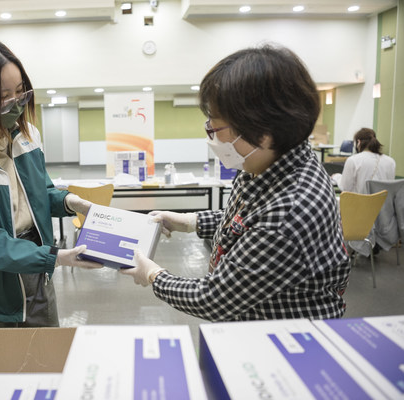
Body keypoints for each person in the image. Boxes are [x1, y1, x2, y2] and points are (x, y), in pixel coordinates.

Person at [121, 45, 350, 321]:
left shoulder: (290, 212)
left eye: (215, 129)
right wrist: (190, 221)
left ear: (262, 132)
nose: (212, 139)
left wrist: (153, 274)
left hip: (280, 338)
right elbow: (247, 221)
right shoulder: (269, 159)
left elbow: (214, 300)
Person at [0, 39, 102, 329]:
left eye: (19, 93)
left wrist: (70, 202)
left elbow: (41, 192)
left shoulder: (27, 135)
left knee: (46, 365)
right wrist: (58, 257)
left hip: (36, 274)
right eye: (4, 96)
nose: (16, 104)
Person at [337, 127, 396, 194]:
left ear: (358, 142)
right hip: (384, 204)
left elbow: (345, 188)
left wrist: (337, 178)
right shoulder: (391, 162)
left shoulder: (353, 160)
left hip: (360, 203)